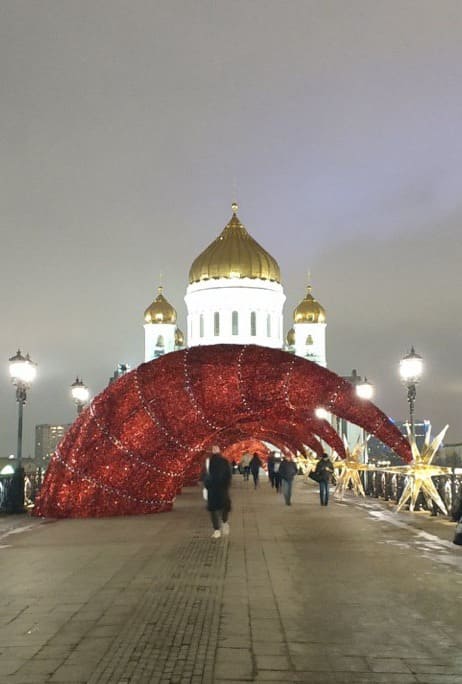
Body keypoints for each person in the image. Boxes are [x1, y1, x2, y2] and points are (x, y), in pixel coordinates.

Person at [202, 445, 232, 539]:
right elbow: (229, 475)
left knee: (213, 510)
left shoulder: (208, 461)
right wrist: (226, 485)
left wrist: (207, 485)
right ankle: (224, 522)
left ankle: (217, 530)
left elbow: (204, 475)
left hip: (213, 489)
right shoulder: (225, 461)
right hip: (222, 489)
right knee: (224, 506)